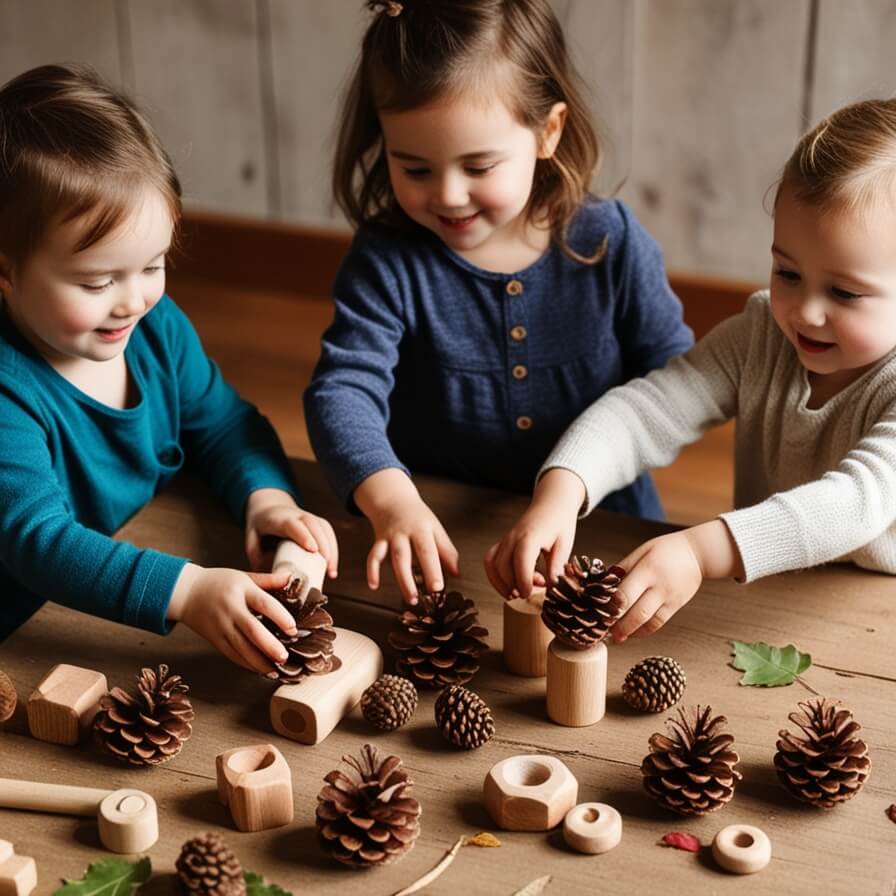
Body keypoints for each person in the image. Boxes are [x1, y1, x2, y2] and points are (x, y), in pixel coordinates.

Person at [305, 0, 692, 604]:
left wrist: (577, 482)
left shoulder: (609, 241)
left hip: (600, 534)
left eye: (478, 165)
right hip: (441, 541)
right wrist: (392, 500)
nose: (449, 194)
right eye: (414, 167)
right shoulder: (387, 260)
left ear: (548, 132)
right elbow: (342, 391)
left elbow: (678, 384)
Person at [487, 97, 896, 641]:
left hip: (877, 614)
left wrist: (701, 550)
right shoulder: (761, 334)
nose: (806, 311)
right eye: (788, 272)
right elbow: (649, 409)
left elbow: (855, 504)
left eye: (845, 292)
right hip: (763, 589)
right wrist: (562, 492)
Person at [0, 64, 338, 674]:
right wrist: (186, 591)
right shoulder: (8, 390)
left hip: (129, 565)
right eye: (98, 280)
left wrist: (265, 498)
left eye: (152, 265)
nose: (133, 300)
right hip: (25, 637)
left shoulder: (153, 329)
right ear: (6, 273)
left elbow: (225, 424)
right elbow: (37, 541)